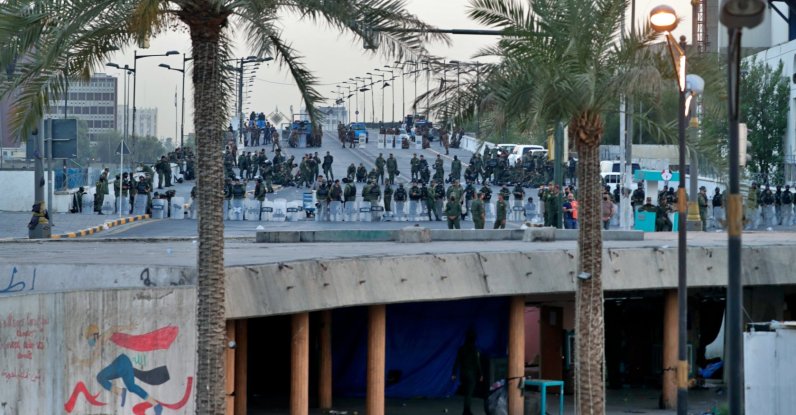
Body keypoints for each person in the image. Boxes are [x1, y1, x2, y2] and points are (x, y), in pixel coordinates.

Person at [451, 329, 482, 415]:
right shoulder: (475, 350)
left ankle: (466, 410)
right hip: (471, 374)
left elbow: (457, 362)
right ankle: (466, 411)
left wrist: (454, 373)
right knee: (469, 393)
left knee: (466, 392)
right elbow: (477, 363)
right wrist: (481, 374)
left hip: (463, 373)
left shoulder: (461, 349)